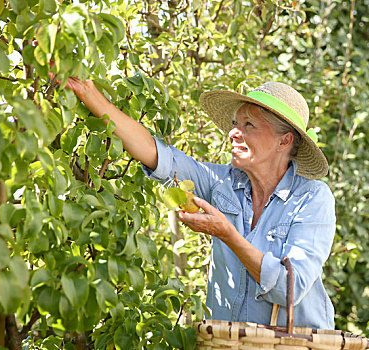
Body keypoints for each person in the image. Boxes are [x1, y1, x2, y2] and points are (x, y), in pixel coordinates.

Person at [62, 78, 336, 329]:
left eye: (248, 125)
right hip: (229, 345)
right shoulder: (222, 183)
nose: (233, 133)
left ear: (284, 140)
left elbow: (291, 287)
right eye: (234, 124)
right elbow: (155, 153)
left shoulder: (312, 198)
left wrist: (227, 234)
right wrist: (86, 91)